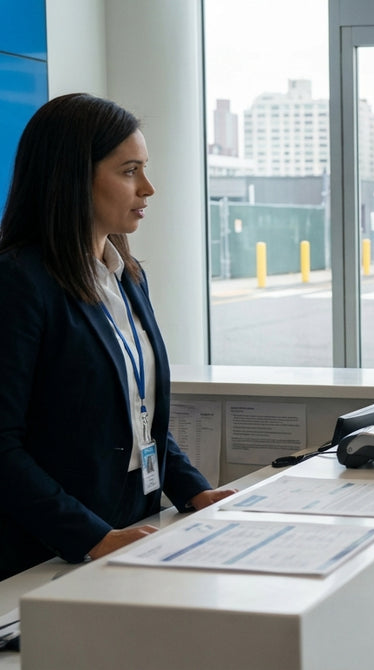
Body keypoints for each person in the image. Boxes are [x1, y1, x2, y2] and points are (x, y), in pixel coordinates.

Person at [0, 93, 236, 581]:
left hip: (132, 526)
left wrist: (193, 491)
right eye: (129, 171)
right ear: (71, 178)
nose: (148, 188)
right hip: (45, 553)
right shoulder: (18, 282)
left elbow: (141, 416)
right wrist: (92, 537)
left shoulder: (126, 275)